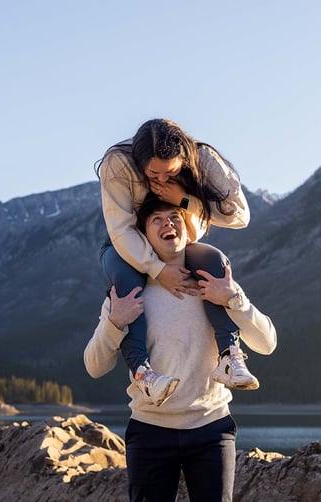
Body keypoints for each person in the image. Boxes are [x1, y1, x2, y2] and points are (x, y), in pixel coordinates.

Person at [84, 195, 277, 501]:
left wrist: (232, 300)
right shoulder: (128, 293)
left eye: (174, 216)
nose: (167, 224)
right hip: (149, 431)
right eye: (156, 219)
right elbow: (94, 366)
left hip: (211, 428)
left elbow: (267, 343)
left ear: (189, 228)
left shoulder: (215, 280)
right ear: (143, 237)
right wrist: (115, 321)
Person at [95, 118, 259, 406]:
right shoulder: (118, 165)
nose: (159, 180)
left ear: (183, 159)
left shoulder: (204, 159)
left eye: (169, 173)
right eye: (152, 173)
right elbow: (120, 229)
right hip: (126, 247)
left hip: (180, 244)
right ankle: (143, 375)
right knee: (128, 284)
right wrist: (158, 271)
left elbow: (239, 216)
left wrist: (183, 199)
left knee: (214, 262)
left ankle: (229, 357)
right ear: (139, 160)